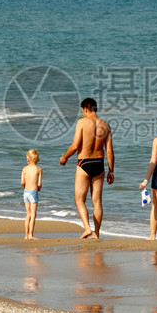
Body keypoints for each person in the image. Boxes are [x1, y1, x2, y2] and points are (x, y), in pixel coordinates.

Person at [59, 97, 114, 239]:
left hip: (84, 163)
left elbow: (75, 145)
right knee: (97, 201)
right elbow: (109, 151)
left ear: (86, 108)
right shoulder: (106, 125)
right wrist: (111, 170)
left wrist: (64, 157)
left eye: (82, 110)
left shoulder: (82, 122)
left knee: (79, 200)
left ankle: (87, 228)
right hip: (100, 164)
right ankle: (96, 233)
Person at [20, 148, 43, 240]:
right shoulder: (39, 169)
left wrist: (26, 187)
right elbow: (39, 184)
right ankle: (31, 235)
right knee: (33, 214)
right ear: (37, 160)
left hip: (26, 192)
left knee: (28, 214)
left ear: (27, 159)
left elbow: (22, 182)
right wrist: (38, 188)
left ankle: (26, 235)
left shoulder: (24, 169)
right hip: (33, 192)